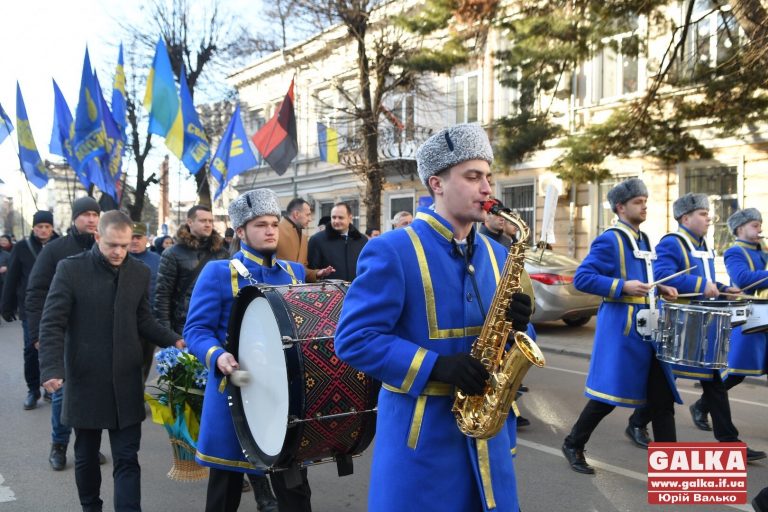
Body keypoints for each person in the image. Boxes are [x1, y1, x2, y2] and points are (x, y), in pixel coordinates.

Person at [335, 123, 534, 511]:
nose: (486, 189)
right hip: (422, 438)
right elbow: (355, 339)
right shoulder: (392, 250)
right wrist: (436, 366)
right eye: (473, 176)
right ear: (437, 184)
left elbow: (516, 346)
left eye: (488, 177)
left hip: (488, 434)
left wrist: (518, 326)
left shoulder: (497, 254)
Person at [38, 210, 184, 512]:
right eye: (111, 245)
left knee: (127, 458)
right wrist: (52, 368)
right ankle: (91, 507)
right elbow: (52, 322)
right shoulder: (70, 270)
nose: (119, 252)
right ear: (97, 238)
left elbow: (144, 319)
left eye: (124, 245)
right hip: (85, 381)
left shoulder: (140, 272)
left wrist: (175, 340)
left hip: (127, 381)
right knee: (87, 455)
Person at [185, 189, 310, 512]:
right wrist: (217, 355)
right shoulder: (218, 273)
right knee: (224, 495)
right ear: (240, 231)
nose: (270, 230)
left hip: (284, 398)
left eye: (273, 223)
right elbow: (196, 330)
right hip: (235, 394)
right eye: (260, 225)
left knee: (295, 494)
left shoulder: (293, 273)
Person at [562, 178, 681, 475]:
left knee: (663, 398)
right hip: (623, 331)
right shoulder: (610, 239)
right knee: (608, 397)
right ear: (621, 207)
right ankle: (573, 442)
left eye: (645, 201)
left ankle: (670, 472)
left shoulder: (644, 239)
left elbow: (645, 280)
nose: (644, 206)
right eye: (638, 202)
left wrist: (660, 288)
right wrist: (621, 285)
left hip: (650, 330)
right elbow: (583, 278)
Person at [654, 193, 765, 461]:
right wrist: (698, 285)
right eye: (704, 214)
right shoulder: (672, 243)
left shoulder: (703, 244)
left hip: (704, 321)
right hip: (680, 322)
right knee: (668, 382)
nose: (709, 219)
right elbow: (660, 277)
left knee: (713, 382)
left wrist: (726, 289)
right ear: (685, 217)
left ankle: (729, 442)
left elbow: (709, 281)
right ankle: (637, 421)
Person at [25, 196, 104, 471]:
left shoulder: (105, 248)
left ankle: (88, 446)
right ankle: (59, 444)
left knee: (93, 394)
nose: (91, 219)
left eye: (95, 214)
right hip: (61, 333)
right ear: (74, 218)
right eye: (85, 214)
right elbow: (36, 293)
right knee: (62, 393)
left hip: (95, 336)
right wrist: (37, 335)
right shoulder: (56, 250)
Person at [688, 208, 767, 456]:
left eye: (760, 225)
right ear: (740, 228)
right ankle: (701, 406)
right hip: (750, 318)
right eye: (755, 225)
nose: (760, 230)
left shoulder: (763, 251)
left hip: (765, 316)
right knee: (736, 372)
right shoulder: (735, 252)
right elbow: (742, 279)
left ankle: (704, 407)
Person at [1, 210, 58, 410]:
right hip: (30, 309)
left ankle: (51, 388)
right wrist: (6, 305)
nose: (43, 230)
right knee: (31, 350)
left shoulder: (60, 245)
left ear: (52, 228)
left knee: (56, 349)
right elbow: (12, 277)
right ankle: (32, 390)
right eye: (40, 227)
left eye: (47, 227)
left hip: (58, 307)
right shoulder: (22, 247)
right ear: (34, 228)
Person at [154, 205, 228, 337]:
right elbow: (163, 297)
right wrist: (167, 336)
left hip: (215, 325)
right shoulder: (172, 254)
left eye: (210, 221)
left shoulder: (222, 253)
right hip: (183, 327)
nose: (208, 225)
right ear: (190, 222)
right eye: (203, 221)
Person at [128, 222, 162, 383]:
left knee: (144, 363)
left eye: (138, 237)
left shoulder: (157, 260)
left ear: (146, 239)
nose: (134, 241)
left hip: (149, 322)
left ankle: (137, 398)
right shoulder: (120, 259)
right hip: (125, 322)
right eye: (131, 237)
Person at [277, 197, 334, 282]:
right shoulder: (275, 231)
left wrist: (317, 273)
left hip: (297, 292)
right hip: (277, 291)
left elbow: (301, 269)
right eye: (307, 215)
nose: (310, 219)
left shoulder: (303, 237)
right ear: (296, 214)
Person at [307, 203, 367, 281]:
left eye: (340, 218)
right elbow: (311, 272)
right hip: (328, 292)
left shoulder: (362, 240)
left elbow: (366, 268)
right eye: (334, 217)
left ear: (350, 218)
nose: (336, 221)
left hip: (356, 290)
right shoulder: (317, 240)